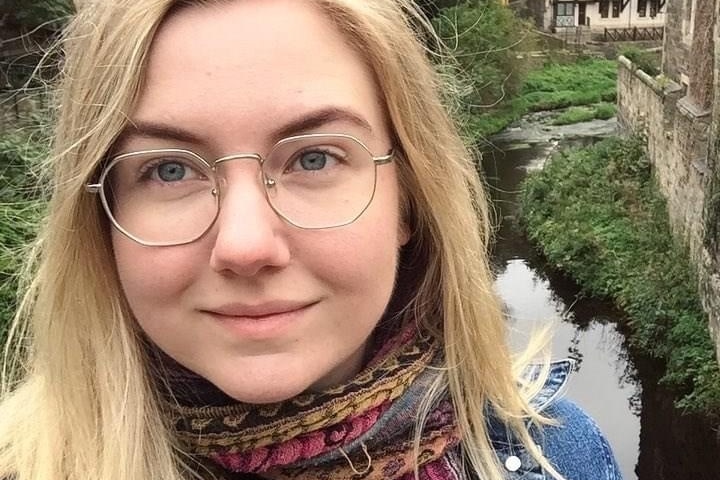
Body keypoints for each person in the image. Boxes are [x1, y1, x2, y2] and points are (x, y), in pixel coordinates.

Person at [0, 1, 622, 479]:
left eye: (316, 159)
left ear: (408, 198)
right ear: (100, 223)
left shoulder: (555, 457)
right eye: (169, 170)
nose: (245, 246)